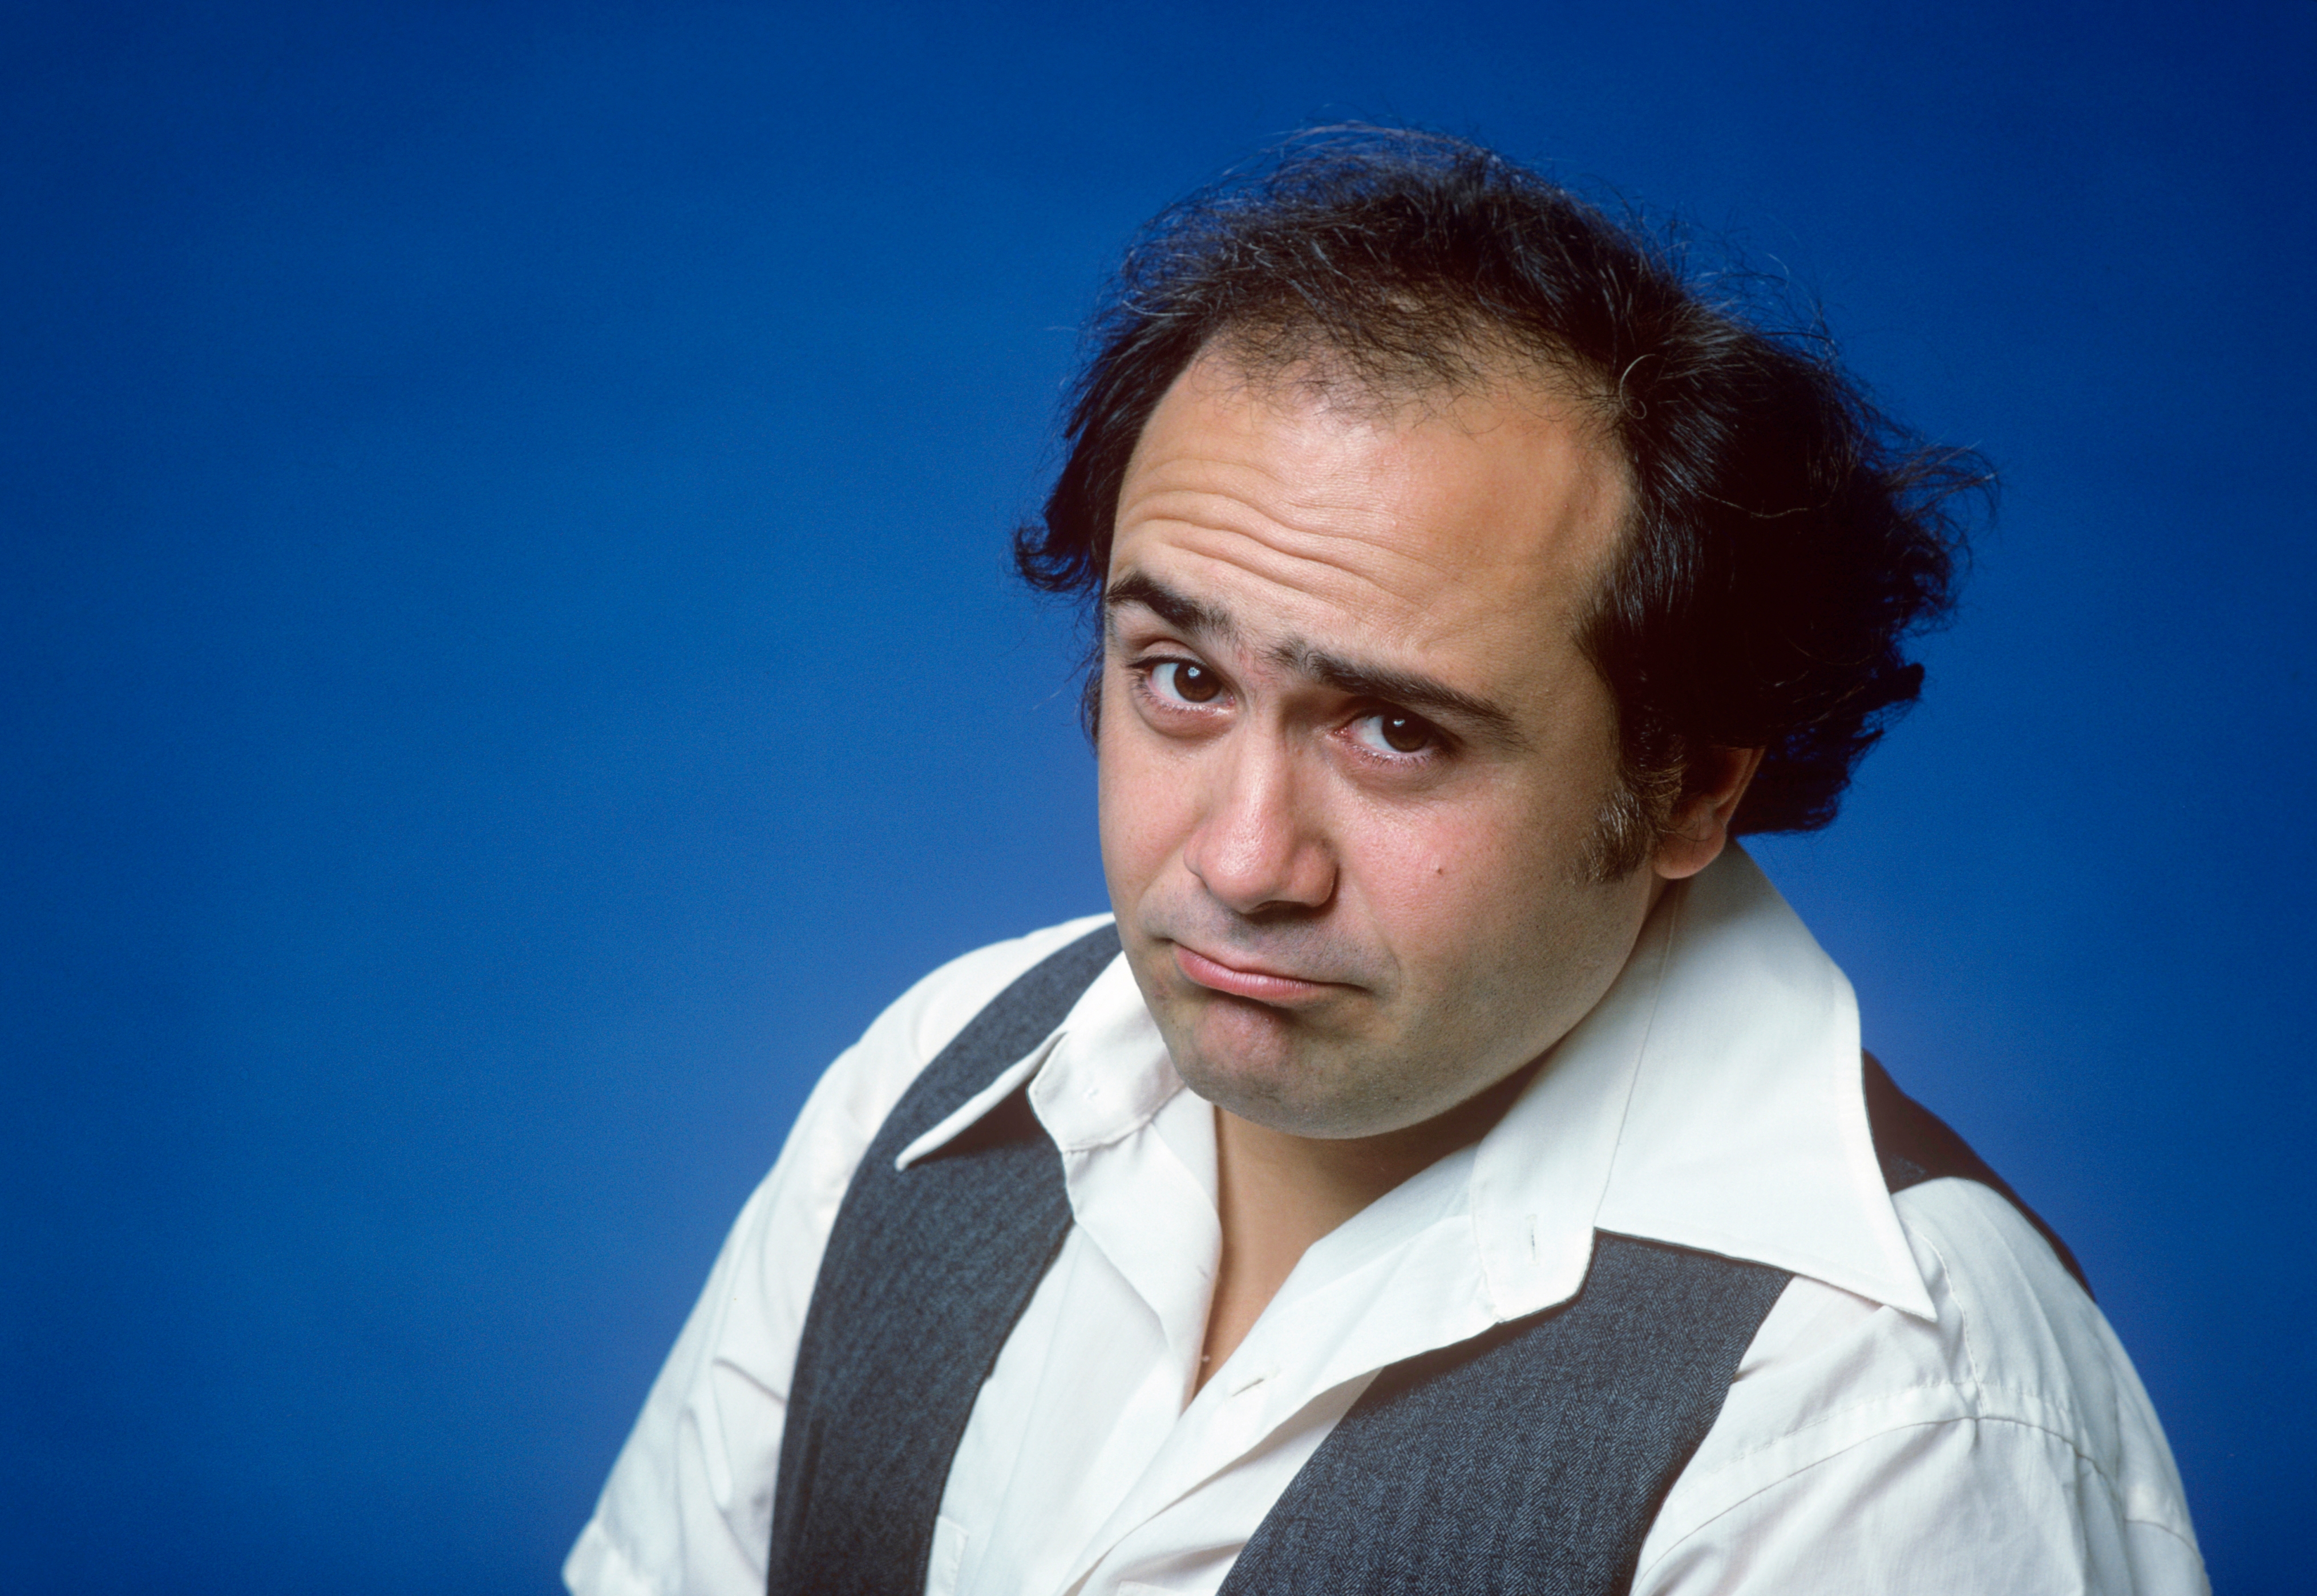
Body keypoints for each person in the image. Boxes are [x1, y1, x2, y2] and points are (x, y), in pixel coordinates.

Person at [565, 131, 2205, 1595]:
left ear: (1691, 787)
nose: (1243, 858)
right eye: (1184, 680)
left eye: (1397, 733)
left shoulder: (1882, 1414)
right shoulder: (932, 1082)